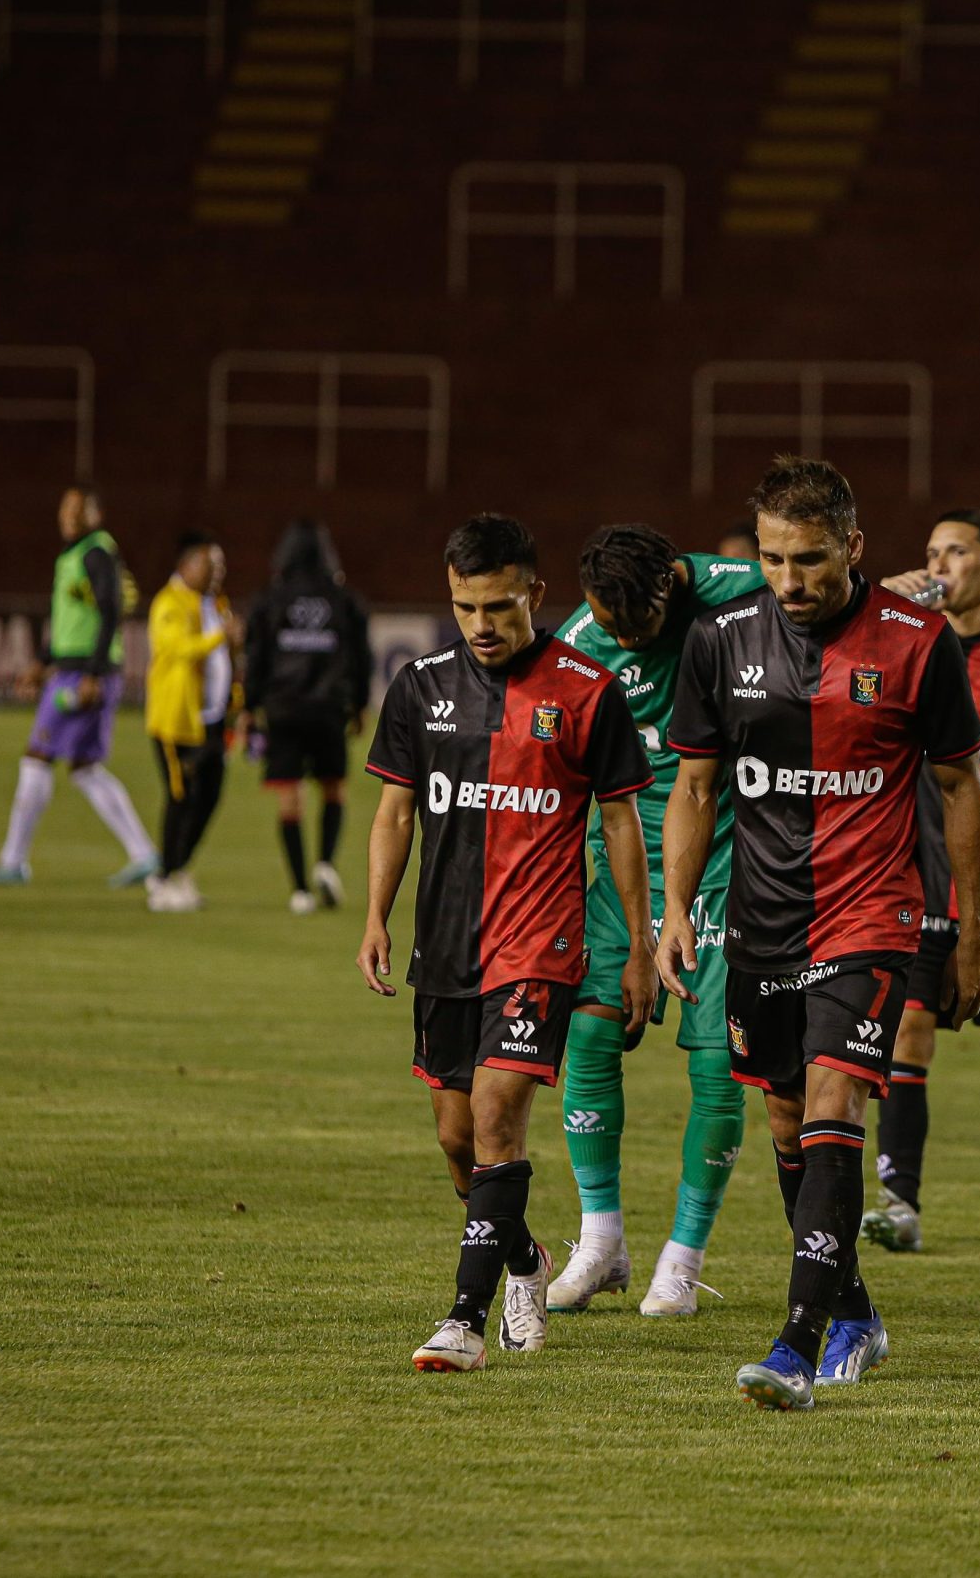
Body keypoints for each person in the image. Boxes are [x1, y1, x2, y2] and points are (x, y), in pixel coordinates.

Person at [659, 457, 980, 1410]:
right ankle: (853, 1310)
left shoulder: (919, 642)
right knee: (784, 1119)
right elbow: (694, 787)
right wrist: (679, 909)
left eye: (808, 559)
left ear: (853, 545)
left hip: (873, 914)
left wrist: (966, 934)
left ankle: (797, 1346)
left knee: (835, 1102)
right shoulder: (721, 639)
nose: (790, 581)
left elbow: (960, 787)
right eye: (771, 560)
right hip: (760, 923)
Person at [356, 514, 656, 1373]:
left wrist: (635, 943)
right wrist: (377, 914)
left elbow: (622, 821)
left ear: (536, 593)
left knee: (496, 1117)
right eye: (463, 606)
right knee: (458, 1140)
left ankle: (462, 1319)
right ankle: (525, 1257)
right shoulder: (419, 686)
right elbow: (395, 810)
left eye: (497, 605)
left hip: (540, 943)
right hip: (446, 945)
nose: (481, 624)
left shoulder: (588, 692)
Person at [546, 526, 763, 1318]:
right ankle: (600, 1239)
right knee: (591, 1033)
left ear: (673, 583)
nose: (626, 638)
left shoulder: (742, 589)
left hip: (733, 857)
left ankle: (683, 1256)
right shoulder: (579, 647)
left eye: (638, 625)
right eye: (613, 625)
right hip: (631, 868)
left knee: (716, 1063)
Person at [865, 507, 980, 1250]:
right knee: (908, 1029)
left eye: (956, 552)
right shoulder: (905, 644)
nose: (939, 566)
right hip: (918, 879)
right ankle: (899, 1201)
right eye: (931, 551)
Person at [0, 487, 156, 887]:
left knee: (37, 756)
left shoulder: (95, 553)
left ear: (97, 513)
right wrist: (42, 662)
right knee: (84, 768)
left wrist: (93, 672)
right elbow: (72, 621)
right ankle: (144, 855)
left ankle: (13, 862)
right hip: (77, 669)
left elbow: (111, 611)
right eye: (65, 507)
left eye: (79, 508)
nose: (70, 515)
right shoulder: (75, 555)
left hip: (85, 675)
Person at [245, 521, 372, 915]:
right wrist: (360, 703)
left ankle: (300, 890)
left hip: (282, 710)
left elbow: (255, 659)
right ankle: (325, 864)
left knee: (290, 799)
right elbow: (361, 657)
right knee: (334, 790)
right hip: (329, 709)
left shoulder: (269, 599)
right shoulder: (344, 600)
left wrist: (249, 707)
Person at [144, 532, 240, 912]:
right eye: (208, 563)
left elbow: (223, 660)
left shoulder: (215, 603)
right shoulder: (168, 603)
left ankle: (180, 867)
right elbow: (177, 648)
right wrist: (220, 637)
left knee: (211, 795)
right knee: (181, 798)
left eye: (220, 564)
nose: (217, 571)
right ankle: (164, 877)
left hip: (211, 721)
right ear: (185, 566)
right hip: (177, 721)